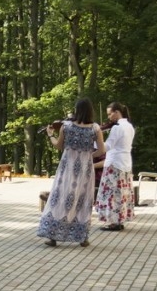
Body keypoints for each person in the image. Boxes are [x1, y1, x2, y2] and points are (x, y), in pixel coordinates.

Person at [37, 98, 106, 247]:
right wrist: (87, 156)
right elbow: (101, 150)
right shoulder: (95, 128)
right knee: (83, 199)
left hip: (67, 167)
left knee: (60, 197)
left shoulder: (66, 126)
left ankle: (53, 236)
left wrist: (50, 134)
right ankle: (82, 237)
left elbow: (58, 145)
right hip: (85, 170)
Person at [95, 102, 135, 231]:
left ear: (117, 112)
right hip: (125, 163)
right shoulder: (129, 126)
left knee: (111, 193)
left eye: (110, 114)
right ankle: (119, 220)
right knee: (121, 194)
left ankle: (113, 223)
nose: (108, 117)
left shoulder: (117, 127)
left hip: (114, 163)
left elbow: (107, 147)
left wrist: (94, 144)